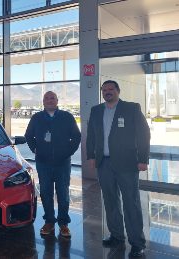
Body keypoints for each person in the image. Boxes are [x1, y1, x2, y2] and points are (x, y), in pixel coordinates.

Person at [86, 80, 150, 258]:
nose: (107, 92)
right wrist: (91, 155)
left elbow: (144, 134)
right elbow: (91, 134)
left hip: (127, 164)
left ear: (118, 91)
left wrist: (143, 159)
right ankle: (116, 236)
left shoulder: (132, 108)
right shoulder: (96, 110)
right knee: (110, 201)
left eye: (111, 89)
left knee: (131, 203)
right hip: (104, 164)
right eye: (104, 90)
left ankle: (137, 243)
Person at [25, 91, 81, 238]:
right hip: (43, 163)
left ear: (57, 101)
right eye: (47, 98)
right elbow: (29, 136)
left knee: (63, 193)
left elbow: (76, 136)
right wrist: (36, 150)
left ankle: (63, 223)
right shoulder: (36, 118)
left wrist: (67, 152)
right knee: (45, 193)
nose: (49, 100)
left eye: (52, 98)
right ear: (43, 102)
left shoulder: (67, 117)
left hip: (62, 163)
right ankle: (49, 221)